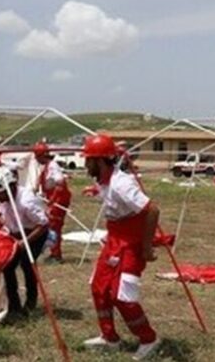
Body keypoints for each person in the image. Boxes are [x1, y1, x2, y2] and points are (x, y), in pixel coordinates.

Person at [82, 134, 161, 361]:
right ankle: (109, 337)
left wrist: (146, 247)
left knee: (122, 295)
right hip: (114, 240)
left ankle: (148, 339)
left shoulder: (122, 184)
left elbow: (152, 210)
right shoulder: (103, 181)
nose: (86, 165)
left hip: (131, 244)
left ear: (100, 161)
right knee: (99, 287)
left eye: (89, 161)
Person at [0, 167, 49, 320]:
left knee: (27, 263)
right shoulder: (4, 198)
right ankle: (14, 306)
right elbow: (0, 213)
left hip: (34, 234)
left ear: (10, 188)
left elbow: (43, 224)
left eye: (0, 194)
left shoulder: (26, 201)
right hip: (15, 233)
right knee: (7, 266)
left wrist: (24, 243)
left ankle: (30, 301)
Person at [33, 142, 72, 262]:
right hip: (52, 198)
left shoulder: (53, 166)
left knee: (54, 226)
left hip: (59, 199)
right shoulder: (45, 167)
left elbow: (60, 183)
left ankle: (56, 255)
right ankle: (53, 251)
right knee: (50, 225)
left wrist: (53, 201)